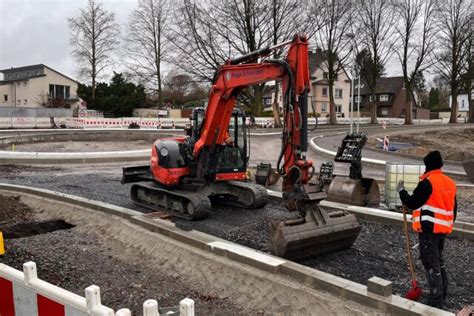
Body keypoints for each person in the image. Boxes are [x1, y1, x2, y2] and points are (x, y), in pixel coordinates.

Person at [397, 150, 457, 308]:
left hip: (429, 232)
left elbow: (412, 203)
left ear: (427, 166)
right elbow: (453, 209)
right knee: (439, 262)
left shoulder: (428, 182)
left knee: (431, 263)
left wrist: (401, 191)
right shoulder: (449, 182)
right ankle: (442, 294)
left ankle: (436, 301)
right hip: (442, 230)